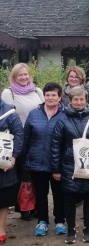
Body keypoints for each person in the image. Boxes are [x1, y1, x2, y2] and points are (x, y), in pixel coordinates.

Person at [52, 86, 89, 244]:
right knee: (69, 198)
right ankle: (71, 229)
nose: (79, 102)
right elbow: (56, 145)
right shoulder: (62, 118)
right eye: (75, 99)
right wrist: (56, 169)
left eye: (82, 99)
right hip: (69, 163)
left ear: (86, 100)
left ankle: (87, 227)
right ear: (70, 100)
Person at [1, 63, 44, 221]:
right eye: (20, 75)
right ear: (14, 77)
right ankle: (24, 207)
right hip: (18, 139)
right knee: (22, 174)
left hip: (38, 138)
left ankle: (39, 206)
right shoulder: (8, 93)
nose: (24, 77)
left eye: (26, 74)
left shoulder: (37, 91)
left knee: (37, 175)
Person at [23, 82, 66, 236]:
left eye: (53, 95)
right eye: (47, 95)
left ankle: (60, 220)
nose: (50, 98)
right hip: (36, 162)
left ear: (60, 97)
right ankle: (42, 221)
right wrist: (25, 162)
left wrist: (62, 165)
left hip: (57, 163)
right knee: (41, 194)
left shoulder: (65, 114)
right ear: (44, 96)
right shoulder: (34, 114)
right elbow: (26, 138)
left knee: (58, 193)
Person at [61, 66, 89, 211]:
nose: (73, 79)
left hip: (88, 134)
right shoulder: (63, 93)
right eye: (71, 76)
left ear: (81, 78)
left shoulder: (88, 92)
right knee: (75, 170)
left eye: (76, 77)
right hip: (70, 134)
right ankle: (78, 196)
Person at [0, 98, 23, 243]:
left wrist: (14, 156)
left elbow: (19, 135)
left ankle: (0, 227)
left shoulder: (9, 112)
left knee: (3, 195)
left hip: (3, 160)